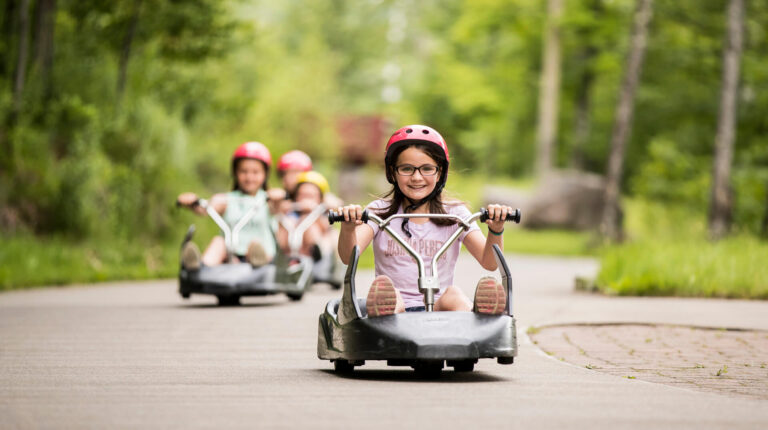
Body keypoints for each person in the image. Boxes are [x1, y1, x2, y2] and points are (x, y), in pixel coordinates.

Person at [336, 125, 515, 317]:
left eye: (427, 169)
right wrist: (348, 228)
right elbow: (348, 257)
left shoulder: (455, 214)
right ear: (392, 172)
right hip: (397, 311)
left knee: (453, 295)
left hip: (440, 310)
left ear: (440, 173)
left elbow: (490, 263)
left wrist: (496, 229)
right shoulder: (378, 212)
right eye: (406, 169)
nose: (417, 177)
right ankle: (383, 308)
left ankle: (480, 316)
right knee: (393, 296)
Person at [177, 141, 277, 270]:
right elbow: (206, 208)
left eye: (255, 172)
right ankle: (200, 267)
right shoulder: (227, 199)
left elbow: (282, 205)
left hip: (260, 259)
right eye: (244, 171)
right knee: (219, 242)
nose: (249, 177)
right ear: (235, 173)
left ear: (265, 174)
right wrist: (193, 202)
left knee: (254, 244)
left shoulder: (268, 200)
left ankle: (258, 265)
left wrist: (279, 196)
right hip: (231, 256)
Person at [276, 171, 334, 260]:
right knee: (287, 224)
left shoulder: (322, 213)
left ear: (320, 198)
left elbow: (326, 227)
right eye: (302, 195)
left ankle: (316, 250)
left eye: (310, 196)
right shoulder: (292, 212)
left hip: (313, 253)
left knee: (311, 226)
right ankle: (279, 254)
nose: (306, 200)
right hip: (291, 248)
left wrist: (314, 212)